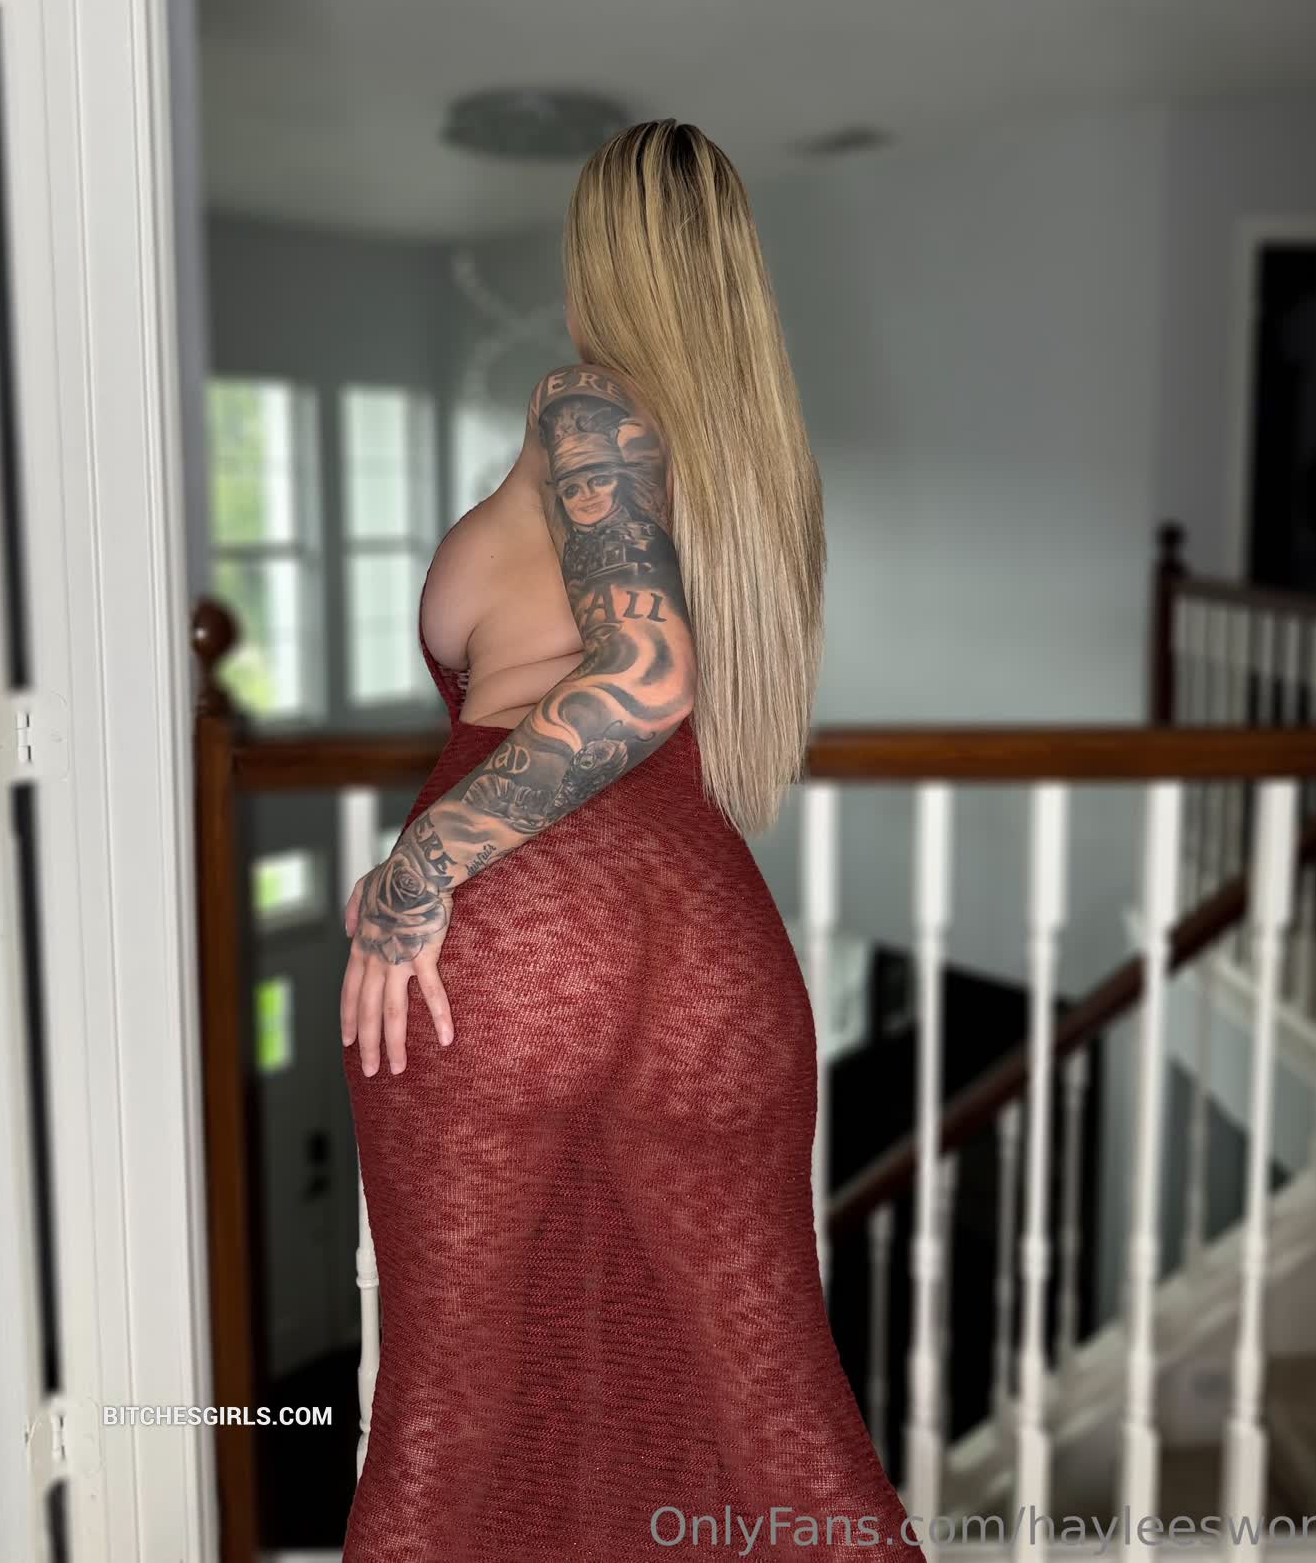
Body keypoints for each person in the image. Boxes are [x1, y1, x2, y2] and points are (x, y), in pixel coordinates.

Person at [339, 120, 923, 1560]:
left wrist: (419, 870)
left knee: (440, 1422)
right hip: (709, 933)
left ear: (596, 254)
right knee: (786, 1417)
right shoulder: (745, 467)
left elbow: (645, 673)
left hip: (529, 921)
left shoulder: (585, 406)